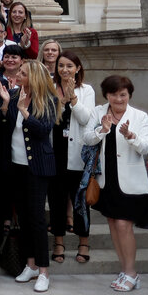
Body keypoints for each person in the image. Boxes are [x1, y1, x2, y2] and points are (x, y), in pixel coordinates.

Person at [80, 75, 148, 292]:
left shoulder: (139, 116)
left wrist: (130, 135)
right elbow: (87, 138)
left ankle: (131, 272)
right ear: (107, 95)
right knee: (113, 223)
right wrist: (101, 129)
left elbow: (146, 147)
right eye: (114, 94)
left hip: (129, 181)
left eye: (123, 94)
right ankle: (124, 270)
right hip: (106, 179)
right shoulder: (99, 111)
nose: (119, 99)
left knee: (123, 224)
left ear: (129, 94)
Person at [0, 60, 58, 293]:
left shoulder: (49, 100)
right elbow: (5, 126)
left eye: (23, 73)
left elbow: (43, 130)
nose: (18, 75)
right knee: (22, 217)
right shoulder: (14, 96)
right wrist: (6, 105)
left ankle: (44, 270)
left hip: (38, 167)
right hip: (17, 166)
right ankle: (30, 264)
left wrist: (24, 110)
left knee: (37, 219)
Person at [47, 51, 95, 265]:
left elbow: (86, 119)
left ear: (77, 68)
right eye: (61, 66)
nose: (64, 70)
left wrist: (72, 99)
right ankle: (58, 242)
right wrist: (60, 100)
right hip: (54, 152)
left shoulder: (86, 91)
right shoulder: (49, 87)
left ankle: (83, 242)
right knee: (56, 201)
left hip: (77, 155)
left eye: (69, 66)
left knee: (80, 202)